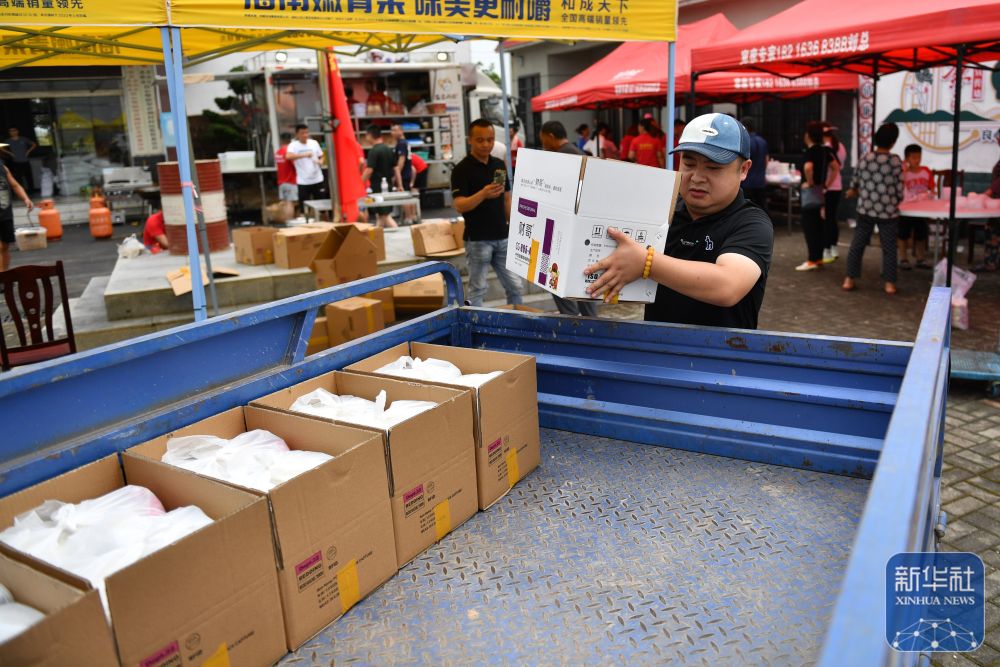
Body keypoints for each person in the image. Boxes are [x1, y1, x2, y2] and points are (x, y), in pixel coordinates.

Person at [583, 113, 773, 330]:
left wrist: (646, 263)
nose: (697, 177)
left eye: (713, 168)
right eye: (689, 164)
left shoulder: (752, 223)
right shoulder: (664, 210)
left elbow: (728, 285)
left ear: (744, 169)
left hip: (723, 349)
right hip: (655, 343)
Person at [451, 119, 523, 307]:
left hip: (502, 236)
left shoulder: (498, 164)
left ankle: (518, 321)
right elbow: (459, 205)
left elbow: (506, 198)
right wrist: (483, 194)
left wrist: (513, 226)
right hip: (477, 239)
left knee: (515, 286)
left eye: (490, 140)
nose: (486, 144)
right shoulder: (461, 169)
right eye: (480, 140)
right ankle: (475, 323)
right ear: (470, 140)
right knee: (478, 289)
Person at [537, 120, 601, 318]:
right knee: (582, 281)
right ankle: (590, 324)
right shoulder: (579, 154)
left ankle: (571, 322)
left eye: (542, 139)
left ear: (550, 136)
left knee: (555, 278)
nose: (542, 144)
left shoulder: (560, 157)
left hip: (563, 230)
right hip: (584, 229)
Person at [843, 123, 904, 295]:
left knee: (858, 244)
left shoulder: (865, 158)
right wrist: (895, 200)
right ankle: (889, 284)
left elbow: (855, 182)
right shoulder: (895, 161)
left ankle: (849, 279)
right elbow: (899, 189)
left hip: (866, 209)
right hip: (888, 211)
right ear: (893, 142)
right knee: (889, 248)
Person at [795, 121, 838, 271]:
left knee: (809, 226)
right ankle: (818, 258)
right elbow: (835, 167)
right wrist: (826, 184)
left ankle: (812, 260)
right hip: (820, 192)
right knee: (819, 225)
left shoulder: (810, 151)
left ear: (808, 135)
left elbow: (808, 167)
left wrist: (809, 182)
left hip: (810, 193)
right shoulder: (825, 150)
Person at [898, 143, 933, 270]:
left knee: (921, 233)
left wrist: (930, 194)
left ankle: (920, 258)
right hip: (906, 209)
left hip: (922, 209)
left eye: (919, 157)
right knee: (903, 233)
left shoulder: (926, 171)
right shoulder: (903, 173)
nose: (917, 160)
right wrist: (903, 170)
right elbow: (898, 186)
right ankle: (903, 258)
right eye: (913, 157)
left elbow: (931, 189)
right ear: (907, 158)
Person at [0, 159, 33, 272]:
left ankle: (5, 276)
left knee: (5, 246)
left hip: (5, 213)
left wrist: (26, 199)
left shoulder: (3, 168)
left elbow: (15, 185)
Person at [361, 125, 398, 228]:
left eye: (366, 135)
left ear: (370, 135)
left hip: (378, 188)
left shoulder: (374, 151)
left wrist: (360, 183)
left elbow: (369, 170)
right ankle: (376, 236)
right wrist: (399, 185)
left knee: (385, 216)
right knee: (380, 216)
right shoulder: (388, 149)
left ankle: (402, 234)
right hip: (388, 186)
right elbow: (396, 169)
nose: (366, 138)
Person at [822, 124, 847, 263]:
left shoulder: (826, 148)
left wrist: (826, 185)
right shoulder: (841, 146)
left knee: (826, 220)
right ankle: (833, 248)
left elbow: (835, 168)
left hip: (828, 188)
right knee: (832, 219)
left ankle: (826, 250)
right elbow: (840, 167)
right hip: (837, 187)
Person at [286, 124, 326, 205]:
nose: (305, 135)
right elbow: (288, 156)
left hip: (317, 179)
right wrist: (304, 155)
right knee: (304, 205)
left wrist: (321, 161)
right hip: (303, 181)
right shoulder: (293, 145)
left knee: (321, 203)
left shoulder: (314, 143)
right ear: (297, 134)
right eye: (302, 133)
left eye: (306, 132)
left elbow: (322, 156)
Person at [391, 124, 417, 225]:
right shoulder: (404, 142)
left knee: (404, 197)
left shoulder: (401, 144)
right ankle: (412, 216)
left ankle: (408, 217)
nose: (392, 133)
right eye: (392, 130)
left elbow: (401, 160)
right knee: (408, 195)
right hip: (407, 173)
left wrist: (396, 175)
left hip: (403, 174)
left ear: (401, 131)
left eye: (395, 130)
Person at [740, 118, 768, 211]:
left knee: (747, 209)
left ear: (745, 127)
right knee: (762, 207)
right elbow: (766, 160)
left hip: (747, 182)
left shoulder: (746, 142)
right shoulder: (762, 141)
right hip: (760, 181)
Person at [1, 128, 36, 194]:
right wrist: (10, 153)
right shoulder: (8, 141)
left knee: (29, 177)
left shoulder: (23, 139)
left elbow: (34, 144)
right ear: (9, 132)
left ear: (17, 131)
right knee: (18, 178)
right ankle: (21, 192)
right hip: (16, 162)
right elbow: (1, 147)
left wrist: (28, 151)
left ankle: (32, 192)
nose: (13, 132)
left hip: (25, 161)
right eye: (11, 131)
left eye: (14, 130)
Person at [274, 132, 299, 213]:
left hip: (281, 182)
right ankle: (290, 219)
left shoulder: (278, 152)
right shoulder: (288, 152)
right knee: (291, 203)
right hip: (290, 181)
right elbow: (295, 165)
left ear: (281, 140)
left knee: (286, 202)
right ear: (290, 140)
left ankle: (287, 218)